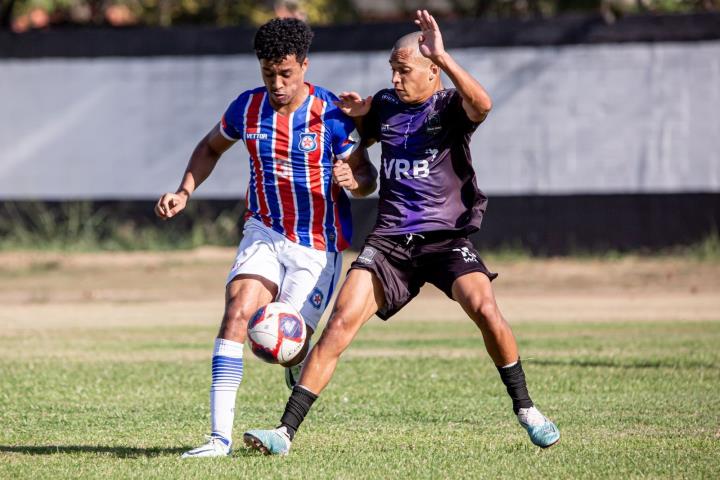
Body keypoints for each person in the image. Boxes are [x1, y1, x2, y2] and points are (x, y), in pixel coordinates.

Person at [243, 10, 560, 455]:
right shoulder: (385, 106)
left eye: (404, 70)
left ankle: (527, 409)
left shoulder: (449, 106)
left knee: (486, 308)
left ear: (432, 70)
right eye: (392, 69)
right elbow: (357, 156)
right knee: (338, 324)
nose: (395, 79)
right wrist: (354, 157)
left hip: (444, 239)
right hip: (390, 241)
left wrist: (444, 55)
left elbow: (483, 105)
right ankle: (284, 432)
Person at [154, 17, 377, 458]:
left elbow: (367, 175)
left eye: (286, 74)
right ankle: (217, 439)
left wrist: (356, 178)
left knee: (286, 350)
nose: (276, 83)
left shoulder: (330, 112)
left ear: (304, 67)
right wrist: (184, 190)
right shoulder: (246, 108)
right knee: (238, 312)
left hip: (317, 245)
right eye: (268, 73)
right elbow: (209, 147)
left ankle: (295, 365)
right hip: (264, 229)